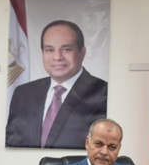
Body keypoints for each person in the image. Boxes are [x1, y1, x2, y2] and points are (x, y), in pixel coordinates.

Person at [6, 19, 107, 149]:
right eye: (49, 50)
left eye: (66, 49)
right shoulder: (24, 93)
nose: (57, 57)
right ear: (42, 53)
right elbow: (12, 143)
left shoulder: (103, 93)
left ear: (82, 52)